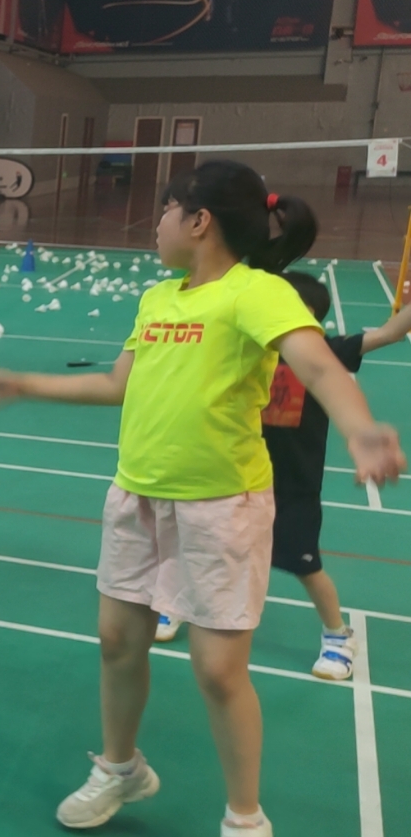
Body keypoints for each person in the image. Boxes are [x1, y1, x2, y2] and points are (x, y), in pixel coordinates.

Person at [0, 160, 405, 837]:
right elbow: (117, 385)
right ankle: (121, 769)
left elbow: (317, 363)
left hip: (221, 506)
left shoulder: (255, 291)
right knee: (116, 640)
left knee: (220, 672)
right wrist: (23, 383)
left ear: (199, 221)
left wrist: (361, 430)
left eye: (165, 210)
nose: (156, 223)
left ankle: (245, 817)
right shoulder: (158, 300)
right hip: (137, 494)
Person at [157, 272, 411, 682]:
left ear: (306, 315)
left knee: (303, 563)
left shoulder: (325, 353)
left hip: (293, 484)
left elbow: (388, 333)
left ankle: (337, 634)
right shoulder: (248, 348)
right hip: (235, 474)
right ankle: (179, 602)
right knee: (204, 542)